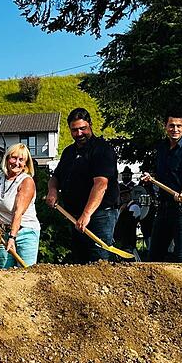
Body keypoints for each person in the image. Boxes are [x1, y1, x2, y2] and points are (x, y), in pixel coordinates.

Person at [45, 108, 120, 263]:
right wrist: (52, 191)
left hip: (100, 215)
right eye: (74, 130)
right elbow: (56, 177)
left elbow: (101, 185)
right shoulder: (68, 152)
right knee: (79, 261)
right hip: (74, 215)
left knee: (99, 262)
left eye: (82, 129)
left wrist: (86, 214)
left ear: (90, 125)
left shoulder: (102, 149)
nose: (79, 134)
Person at [142, 113, 182, 263]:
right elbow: (163, 177)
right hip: (163, 209)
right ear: (165, 126)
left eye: (179, 126)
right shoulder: (162, 148)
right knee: (154, 256)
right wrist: (150, 178)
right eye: (171, 125)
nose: (175, 129)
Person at [0, 143, 40, 268]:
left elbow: (18, 212)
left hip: (24, 233)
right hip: (2, 233)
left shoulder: (26, 181)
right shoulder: (1, 177)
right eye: (14, 157)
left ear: (26, 164)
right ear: (7, 159)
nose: (17, 163)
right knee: (4, 274)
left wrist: (12, 237)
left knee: (24, 274)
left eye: (21, 160)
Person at [113, 167, 140, 253]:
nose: (123, 197)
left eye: (126, 195)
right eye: (122, 195)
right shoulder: (119, 186)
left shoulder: (135, 186)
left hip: (129, 234)